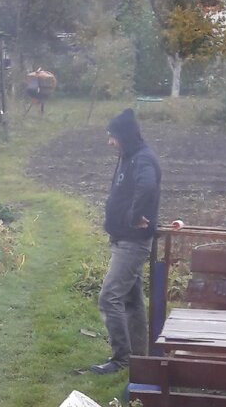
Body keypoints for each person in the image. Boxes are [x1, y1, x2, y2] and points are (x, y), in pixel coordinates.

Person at [90, 108, 161, 375]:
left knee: (109, 297)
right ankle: (138, 357)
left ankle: (121, 359)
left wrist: (134, 216)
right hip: (124, 239)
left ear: (125, 136)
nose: (110, 142)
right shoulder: (129, 156)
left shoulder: (142, 159)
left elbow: (148, 187)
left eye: (112, 136)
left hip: (133, 242)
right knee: (131, 300)